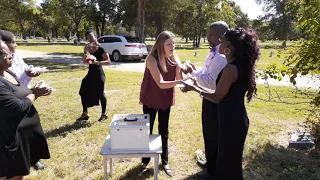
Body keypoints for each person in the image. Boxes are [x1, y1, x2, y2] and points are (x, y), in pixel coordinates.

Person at [183, 28, 259, 180]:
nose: (220, 41)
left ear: (228, 46)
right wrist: (197, 84)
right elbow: (221, 93)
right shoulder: (240, 65)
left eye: (223, 39)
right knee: (228, 162)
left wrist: (193, 87)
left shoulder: (230, 69)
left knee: (229, 165)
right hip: (235, 118)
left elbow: (217, 97)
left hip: (231, 121)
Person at [0, 40, 52, 180]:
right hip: (9, 141)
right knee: (13, 176)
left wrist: (34, 90)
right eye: (5, 53)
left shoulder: (7, 71)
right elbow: (19, 107)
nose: (11, 55)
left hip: (23, 138)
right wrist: (35, 93)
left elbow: (19, 92)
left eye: (10, 52)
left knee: (20, 174)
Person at [185, 21, 229, 179]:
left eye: (210, 34)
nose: (207, 37)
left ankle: (213, 171)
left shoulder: (222, 56)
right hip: (207, 96)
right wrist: (196, 70)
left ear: (220, 36)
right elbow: (205, 73)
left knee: (213, 134)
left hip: (214, 99)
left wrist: (193, 73)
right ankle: (210, 162)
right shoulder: (212, 53)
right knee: (208, 132)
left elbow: (211, 81)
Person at [139, 31, 185, 177]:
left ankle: (165, 161)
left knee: (164, 131)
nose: (172, 46)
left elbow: (180, 80)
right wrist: (179, 81)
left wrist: (180, 69)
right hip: (151, 98)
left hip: (165, 99)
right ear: (161, 45)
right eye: (169, 44)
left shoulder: (174, 59)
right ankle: (145, 162)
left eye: (173, 43)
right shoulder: (151, 59)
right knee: (147, 130)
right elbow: (160, 83)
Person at [76, 30, 111, 122]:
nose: (90, 39)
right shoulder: (88, 49)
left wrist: (97, 62)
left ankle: (104, 114)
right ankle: (85, 113)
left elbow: (108, 61)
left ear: (95, 37)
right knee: (83, 91)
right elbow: (84, 61)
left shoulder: (101, 49)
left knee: (100, 93)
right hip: (90, 74)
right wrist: (85, 51)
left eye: (91, 36)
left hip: (99, 74)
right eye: (88, 37)